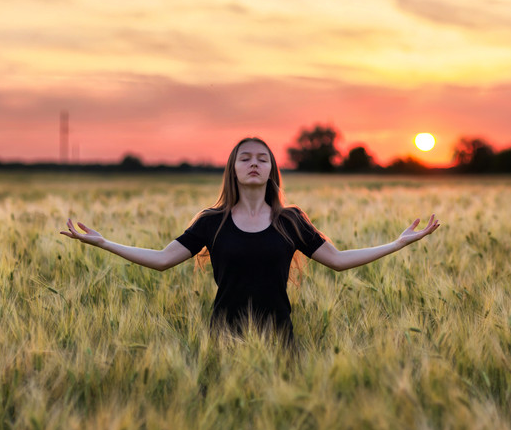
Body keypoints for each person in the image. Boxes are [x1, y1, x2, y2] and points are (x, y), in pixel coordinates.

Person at [60, 137, 440, 346]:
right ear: (233, 170)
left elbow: (338, 260)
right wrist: (105, 243)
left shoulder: (291, 221)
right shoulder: (212, 222)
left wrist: (397, 244)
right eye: (245, 158)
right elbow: (162, 259)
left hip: (280, 340)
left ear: (272, 169)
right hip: (223, 339)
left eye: (262, 158)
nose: (254, 163)